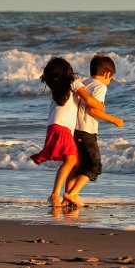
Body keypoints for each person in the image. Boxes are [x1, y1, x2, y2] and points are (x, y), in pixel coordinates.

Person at [30, 57, 105, 207]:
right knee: (71, 161)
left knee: (75, 163)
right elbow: (89, 100)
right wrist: (101, 106)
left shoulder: (57, 89)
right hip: (62, 128)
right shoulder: (73, 83)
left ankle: (67, 198)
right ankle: (54, 194)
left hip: (54, 127)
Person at [63, 54, 124, 207]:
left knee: (78, 166)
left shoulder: (83, 82)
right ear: (107, 74)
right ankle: (72, 194)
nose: (109, 82)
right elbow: (92, 110)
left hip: (74, 130)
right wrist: (113, 119)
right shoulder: (100, 86)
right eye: (110, 79)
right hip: (86, 132)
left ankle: (66, 199)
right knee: (94, 166)